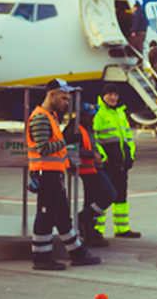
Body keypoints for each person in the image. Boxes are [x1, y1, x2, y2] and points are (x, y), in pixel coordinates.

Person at [25, 79, 101, 271]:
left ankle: (77, 253)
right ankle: (41, 258)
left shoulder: (51, 116)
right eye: (64, 98)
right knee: (46, 216)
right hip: (46, 174)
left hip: (53, 174)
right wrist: (66, 141)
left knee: (62, 216)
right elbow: (43, 148)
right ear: (52, 94)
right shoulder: (41, 117)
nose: (67, 103)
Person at [94, 83, 142, 239]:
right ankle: (96, 230)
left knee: (121, 196)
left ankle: (122, 229)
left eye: (115, 95)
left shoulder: (121, 115)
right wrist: (103, 157)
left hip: (121, 165)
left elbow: (129, 138)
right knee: (103, 196)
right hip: (107, 164)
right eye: (110, 95)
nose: (113, 98)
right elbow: (93, 139)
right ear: (103, 96)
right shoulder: (99, 114)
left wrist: (131, 156)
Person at [72, 103, 116, 248]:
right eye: (88, 116)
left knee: (90, 201)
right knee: (109, 194)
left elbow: (91, 145)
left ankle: (89, 234)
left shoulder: (87, 129)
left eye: (93, 116)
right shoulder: (75, 130)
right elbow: (73, 150)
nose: (91, 119)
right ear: (81, 116)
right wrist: (93, 155)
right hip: (87, 170)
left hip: (93, 168)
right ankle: (82, 218)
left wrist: (100, 156)